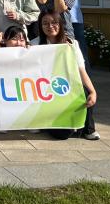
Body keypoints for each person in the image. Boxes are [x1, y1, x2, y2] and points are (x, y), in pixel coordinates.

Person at [32, 10, 99, 140]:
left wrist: (93, 91)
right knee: (61, 135)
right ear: (40, 26)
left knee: (85, 92)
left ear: (61, 24)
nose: (50, 26)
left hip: (65, 86)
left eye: (54, 22)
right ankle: (44, 122)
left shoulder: (72, 44)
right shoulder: (34, 44)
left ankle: (89, 129)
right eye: (45, 23)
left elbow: (81, 70)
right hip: (44, 89)